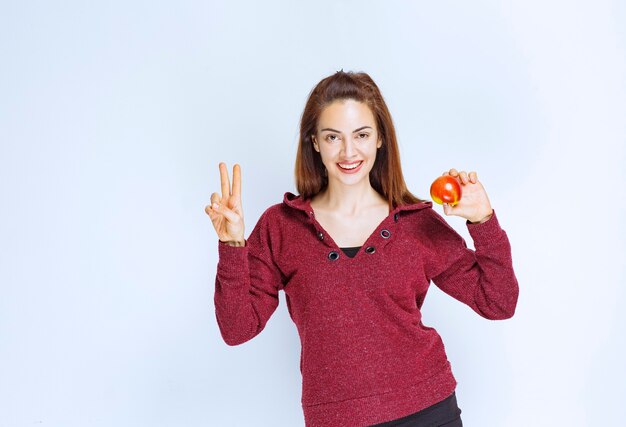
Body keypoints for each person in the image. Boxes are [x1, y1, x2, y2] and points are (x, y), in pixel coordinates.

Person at [205, 70, 519, 427]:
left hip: (428, 411)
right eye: (333, 137)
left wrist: (484, 222)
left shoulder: (415, 223)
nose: (349, 151)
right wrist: (232, 245)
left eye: (361, 135)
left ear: (380, 139)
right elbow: (236, 329)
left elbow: (498, 302)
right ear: (315, 142)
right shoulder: (281, 227)